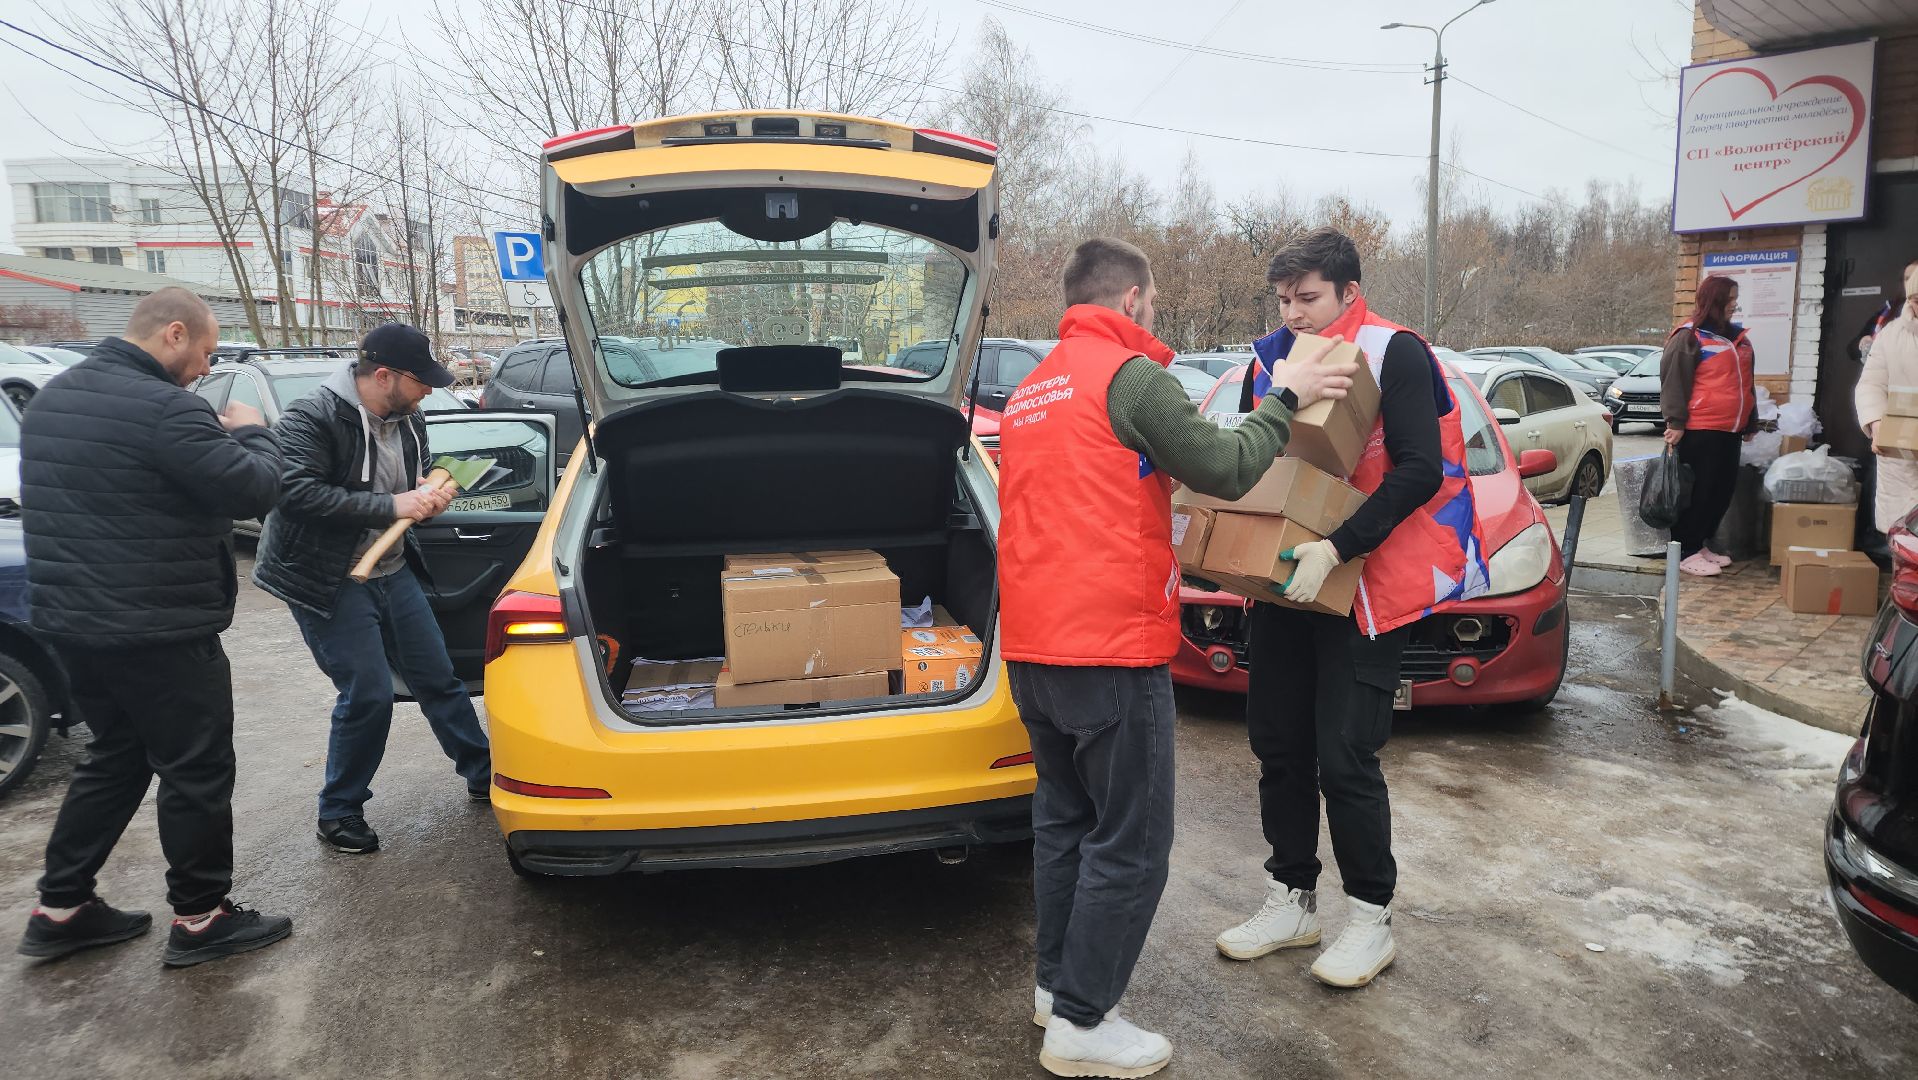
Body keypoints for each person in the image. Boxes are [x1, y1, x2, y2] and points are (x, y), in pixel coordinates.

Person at [997, 237, 1357, 1078]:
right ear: (1130, 303)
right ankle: (1084, 1023)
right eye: (1153, 303)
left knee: (1064, 825)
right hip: (1111, 649)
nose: (1153, 316)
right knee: (1133, 840)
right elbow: (1225, 467)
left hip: (1034, 648)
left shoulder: (1030, 390)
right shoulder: (1128, 379)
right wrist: (1289, 396)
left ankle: (1057, 988)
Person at [1217, 227, 1489, 991]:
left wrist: (1338, 547)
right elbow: (1255, 464)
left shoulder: (1394, 351)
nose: (1294, 313)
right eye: (1283, 299)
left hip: (1367, 585)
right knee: (1277, 747)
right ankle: (1291, 899)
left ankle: (1370, 918)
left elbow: (1419, 470)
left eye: (1307, 298)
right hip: (1282, 585)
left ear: (1346, 289)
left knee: (1345, 757)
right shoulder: (1270, 359)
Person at [14, 288, 293, 968]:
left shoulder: (52, 401)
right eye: (204, 353)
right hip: (157, 628)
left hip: (73, 625)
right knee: (196, 768)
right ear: (174, 334)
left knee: (115, 756)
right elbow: (256, 488)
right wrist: (252, 428)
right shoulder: (166, 410)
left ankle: (63, 907)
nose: (204, 368)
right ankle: (201, 918)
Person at [252, 323, 491, 855]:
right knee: (369, 693)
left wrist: (430, 492)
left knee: (438, 676)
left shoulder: (409, 418)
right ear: (383, 375)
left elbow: (415, 478)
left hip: (391, 568)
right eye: (420, 381)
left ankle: (483, 772)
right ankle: (338, 811)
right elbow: (294, 494)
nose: (430, 389)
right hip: (326, 577)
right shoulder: (310, 417)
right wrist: (393, 506)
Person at [1660, 275, 1758, 577]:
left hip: (1730, 430)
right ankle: (1684, 549)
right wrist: (1675, 422)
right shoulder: (1689, 337)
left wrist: (1750, 421)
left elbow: (1746, 385)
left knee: (1720, 492)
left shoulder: (1738, 339)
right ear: (1714, 301)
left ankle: (1698, 543)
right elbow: (1673, 382)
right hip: (1700, 429)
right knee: (1697, 493)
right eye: (1729, 300)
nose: (1734, 305)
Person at [1856, 261, 1918, 532]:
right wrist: (1876, 423)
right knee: (1902, 535)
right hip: (1900, 453)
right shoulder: (1891, 334)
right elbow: (1870, 384)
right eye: (1916, 300)